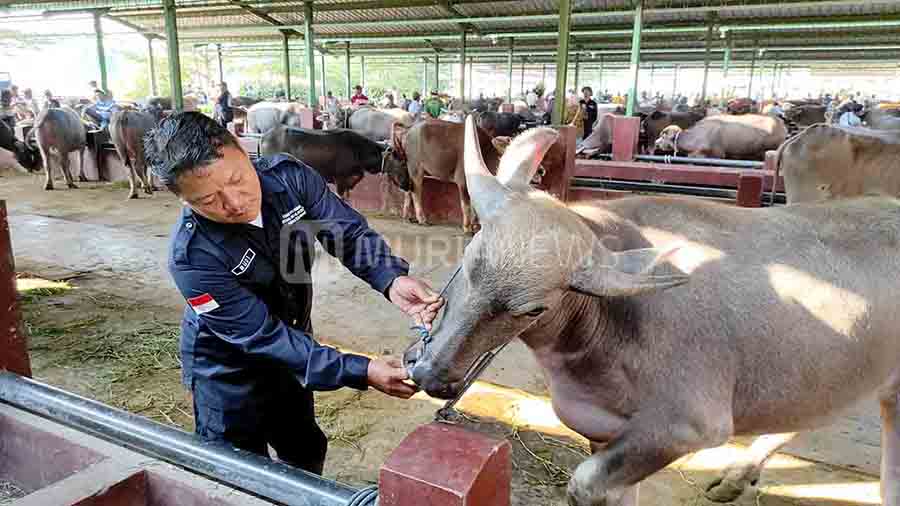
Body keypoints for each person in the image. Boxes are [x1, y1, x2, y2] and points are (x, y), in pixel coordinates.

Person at [144, 112, 443, 475]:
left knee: (304, 449)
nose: (235, 203)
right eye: (208, 200)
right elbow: (262, 337)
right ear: (183, 200)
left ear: (243, 148)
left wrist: (391, 278)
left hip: (296, 354)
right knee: (238, 471)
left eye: (237, 180)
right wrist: (361, 370)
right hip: (228, 372)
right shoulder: (193, 257)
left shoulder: (289, 178)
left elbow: (347, 235)